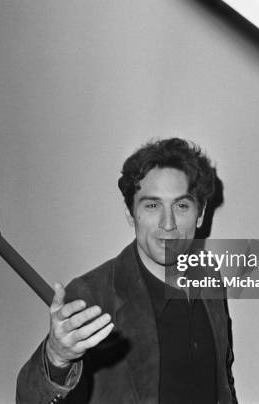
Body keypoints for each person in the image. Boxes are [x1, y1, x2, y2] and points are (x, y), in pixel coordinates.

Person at [17, 138, 237, 403]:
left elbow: (223, 379)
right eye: (152, 205)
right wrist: (56, 357)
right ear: (131, 214)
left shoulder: (209, 277)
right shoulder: (92, 294)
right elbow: (30, 399)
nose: (168, 224)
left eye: (181, 206)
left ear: (200, 214)